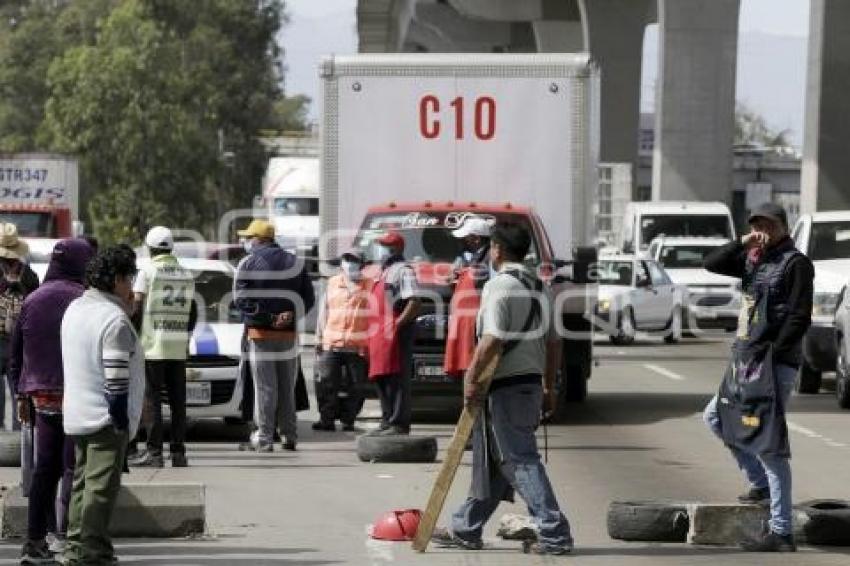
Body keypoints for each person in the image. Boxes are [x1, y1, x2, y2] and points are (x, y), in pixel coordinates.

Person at [432, 222, 573, 556]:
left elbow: (492, 339)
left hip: (505, 387)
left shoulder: (500, 286)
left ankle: (555, 533)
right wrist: (549, 385)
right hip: (528, 385)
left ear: (496, 249)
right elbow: (555, 343)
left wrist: (471, 378)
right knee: (496, 461)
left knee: (520, 461)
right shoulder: (539, 287)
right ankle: (467, 528)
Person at [703, 202, 814, 553]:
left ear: (783, 226)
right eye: (757, 224)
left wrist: (773, 355)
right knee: (716, 418)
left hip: (772, 364)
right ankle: (761, 484)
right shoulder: (754, 258)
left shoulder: (795, 264)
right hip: (744, 358)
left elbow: (799, 318)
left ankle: (781, 532)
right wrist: (743, 241)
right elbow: (710, 263)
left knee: (768, 445)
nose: (762, 230)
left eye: (767, 224)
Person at [9, 239, 94, 563]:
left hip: (41, 396)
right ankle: (65, 536)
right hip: (77, 393)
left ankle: (33, 541)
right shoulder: (84, 299)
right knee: (72, 466)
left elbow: (17, 350)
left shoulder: (33, 299)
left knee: (45, 468)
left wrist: (21, 392)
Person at [61, 245, 145, 565]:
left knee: (83, 486)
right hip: (104, 418)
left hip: (78, 413)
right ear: (116, 280)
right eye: (130, 278)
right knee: (100, 490)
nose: (132, 287)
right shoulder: (113, 320)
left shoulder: (76, 309)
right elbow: (116, 381)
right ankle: (93, 553)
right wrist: (121, 419)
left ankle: (75, 548)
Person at [234, 219, 314, 451]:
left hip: (261, 335)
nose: (246, 241)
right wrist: (290, 315)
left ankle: (264, 438)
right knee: (287, 387)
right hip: (288, 338)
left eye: (249, 237)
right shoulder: (295, 262)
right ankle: (289, 436)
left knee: (265, 387)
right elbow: (308, 298)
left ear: (258, 239)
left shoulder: (248, 263)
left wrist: (269, 319)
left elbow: (241, 300)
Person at [130, 226, 197, 468]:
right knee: (178, 402)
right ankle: (178, 453)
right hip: (178, 348)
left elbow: (136, 309)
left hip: (152, 347)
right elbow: (192, 313)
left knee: (153, 400)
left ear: (149, 248)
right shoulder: (186, 273)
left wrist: (132, 336)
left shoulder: (147, 271)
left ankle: (154, 453)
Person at [366, 231, 420, 436]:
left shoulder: (403, 271)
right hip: (379, 333)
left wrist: (397, 324)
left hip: (395, 333)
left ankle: (398, 423)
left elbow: (414, 302)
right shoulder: (382, 271)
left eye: (386, 245)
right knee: (381, 377)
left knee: (396, 378)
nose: (381, 249)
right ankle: (386, 420)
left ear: (396, 249)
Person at [313, 249, 373, 432]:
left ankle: (349, 419)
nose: (349, 263)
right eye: (347, 259)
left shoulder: (370, 285)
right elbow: (324, 311)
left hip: (358, 345)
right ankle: (327, 419)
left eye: (354, 260)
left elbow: (373, 316)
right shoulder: (332, 283)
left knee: (357, 386)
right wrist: (319, 338)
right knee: (326, 383)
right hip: (332, 342)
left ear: (363, 264)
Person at [0, 222, 39, 431]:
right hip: (18, 340)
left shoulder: (28, 276)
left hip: (19, 340)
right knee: (17, 390)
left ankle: (19, 437)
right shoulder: (29, 274)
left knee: (19, 391)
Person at [445, 217, 492, 378]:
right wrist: (453, 279)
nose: (463, 241)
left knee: (477, 369)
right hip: (465, 324)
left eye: (466, 237)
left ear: (477, 239)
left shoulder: (490, 259)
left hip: (478, 325)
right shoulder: (467, 258)